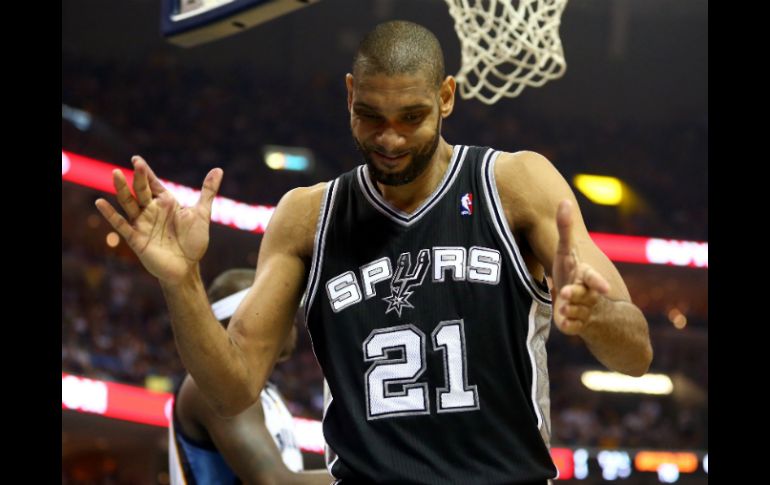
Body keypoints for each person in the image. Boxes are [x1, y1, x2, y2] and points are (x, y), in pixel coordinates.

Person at [96, 20, 652, 485]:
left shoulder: (513, 183)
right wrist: (181, 280)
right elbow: (233, 388)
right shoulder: (306, 217)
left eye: (411, 117)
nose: (390, 139)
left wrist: (597, 315)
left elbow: (636, 354)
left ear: (446, 96)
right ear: (348, 96)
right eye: (371, 116)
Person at [168, 268, 333, 485]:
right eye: (279, 308)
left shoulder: (268, 392)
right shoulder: (214, 387)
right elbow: (272, 482)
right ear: (241, 318)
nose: (292, 317)